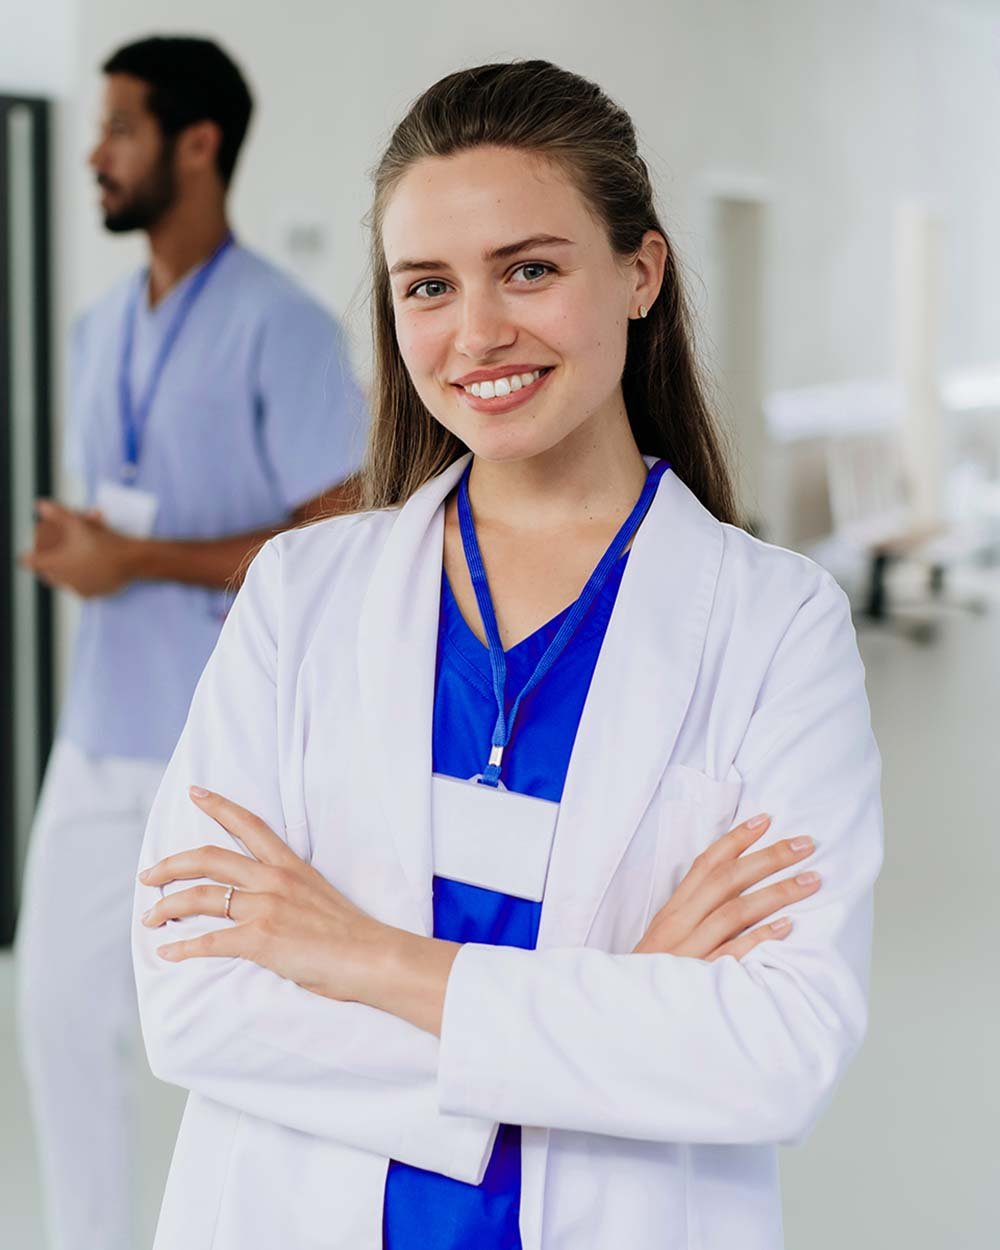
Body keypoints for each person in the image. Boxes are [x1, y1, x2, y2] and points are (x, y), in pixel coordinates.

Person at [132, 59, 883, 1250]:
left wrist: (361, 955)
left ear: (639, 272)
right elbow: (192, 1000)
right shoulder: (299, 595)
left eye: (529, 268)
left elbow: (775, 1051)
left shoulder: (773, 623)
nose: (477, 332)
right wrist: (617, 1001)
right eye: (426, 286)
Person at [16, 35, 367, 1250]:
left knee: (248, 1041)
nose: (96, 155)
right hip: (103, 725)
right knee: (58, 1014)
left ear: (196, 143)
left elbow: (336, 540)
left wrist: (137, 562)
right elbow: (126, 504)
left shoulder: (284, 326)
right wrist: (85, 545)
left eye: (118, 129)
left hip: (227, 746)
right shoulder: (96, 327)